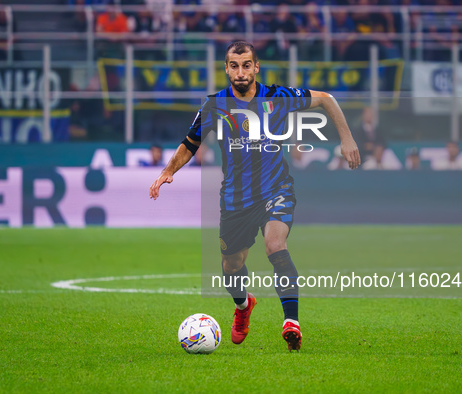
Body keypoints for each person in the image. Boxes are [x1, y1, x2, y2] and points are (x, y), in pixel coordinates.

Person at [149, 41, 360, 352]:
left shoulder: (278, 97)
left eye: (246, 65)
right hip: (235, 200)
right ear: (226, 69)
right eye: (234, 66)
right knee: (231, 265)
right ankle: (243, 305)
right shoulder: (214, 105)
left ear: (256, 67)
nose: (240, 72)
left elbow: (326, 99)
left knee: (276, 245)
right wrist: (168, 171)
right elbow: (190, 142)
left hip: (277, 189)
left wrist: (347, 137)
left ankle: (292, 322)